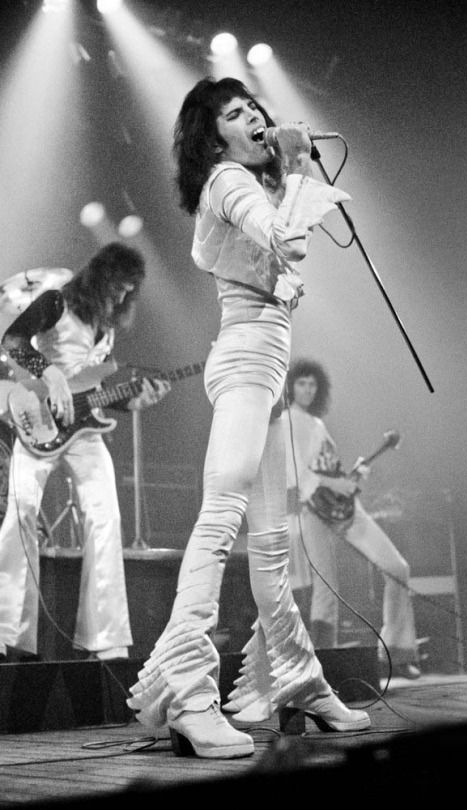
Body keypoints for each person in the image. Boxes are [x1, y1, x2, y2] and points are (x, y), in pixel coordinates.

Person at [126, 76, 371, 760]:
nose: (256, 116)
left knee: (269, 540)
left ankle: (295, 680)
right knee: (222, 511)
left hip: (259, 364)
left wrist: (286, 180)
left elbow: (276, 251)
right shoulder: (230, 180)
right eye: (236, 113)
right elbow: (288, 238)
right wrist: (292, 166)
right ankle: (188, 694)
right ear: (214, 140)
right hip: (244, 364)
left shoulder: (250, 186)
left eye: (255, 106)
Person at [0, 242, 170, 663]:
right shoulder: (56, 302)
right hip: (37, 417)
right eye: (117, 285)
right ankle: (6, 630)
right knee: (21, 511)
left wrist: (134, 400)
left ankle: (106, 639)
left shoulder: (105, 331)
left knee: (106, 517)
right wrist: (50, 372)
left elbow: (96, 391)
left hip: (83, 431)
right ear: (100, 277)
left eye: (128, 290)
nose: (121, 295)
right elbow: (13, 339)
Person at [283, 357, 421, 679]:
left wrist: (351, 476)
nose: (308, 389)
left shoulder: (316, 424)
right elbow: (296, 474)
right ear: (291, 386)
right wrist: (336, 483)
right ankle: (323, 669)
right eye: (302, 383)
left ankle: (397, 652)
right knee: (326, 588)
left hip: (342, 508)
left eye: (313, 384)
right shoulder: (288, 421)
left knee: (397, 568)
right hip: (311, 512)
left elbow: (325, 471)